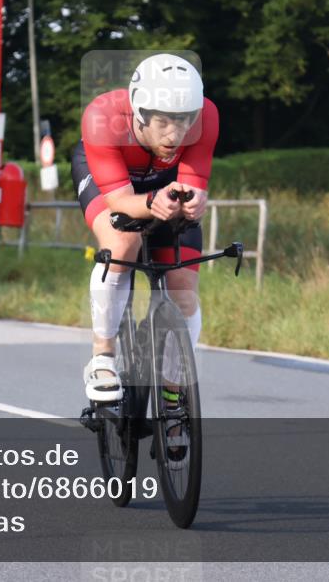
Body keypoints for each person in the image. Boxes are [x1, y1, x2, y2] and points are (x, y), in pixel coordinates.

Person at [71, 53, 219, 406]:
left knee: (183, 288)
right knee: (123, 241)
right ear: (140, 112)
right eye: (164, 121)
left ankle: (173, 393)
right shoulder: (102, 117)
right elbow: (120, 201)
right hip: (109, 179)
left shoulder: (207, 115)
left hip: (162, 182)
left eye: (184, 121)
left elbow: (193, 180)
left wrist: (195, 200)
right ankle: (103, 356)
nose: (175, 134)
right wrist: (152, 202)